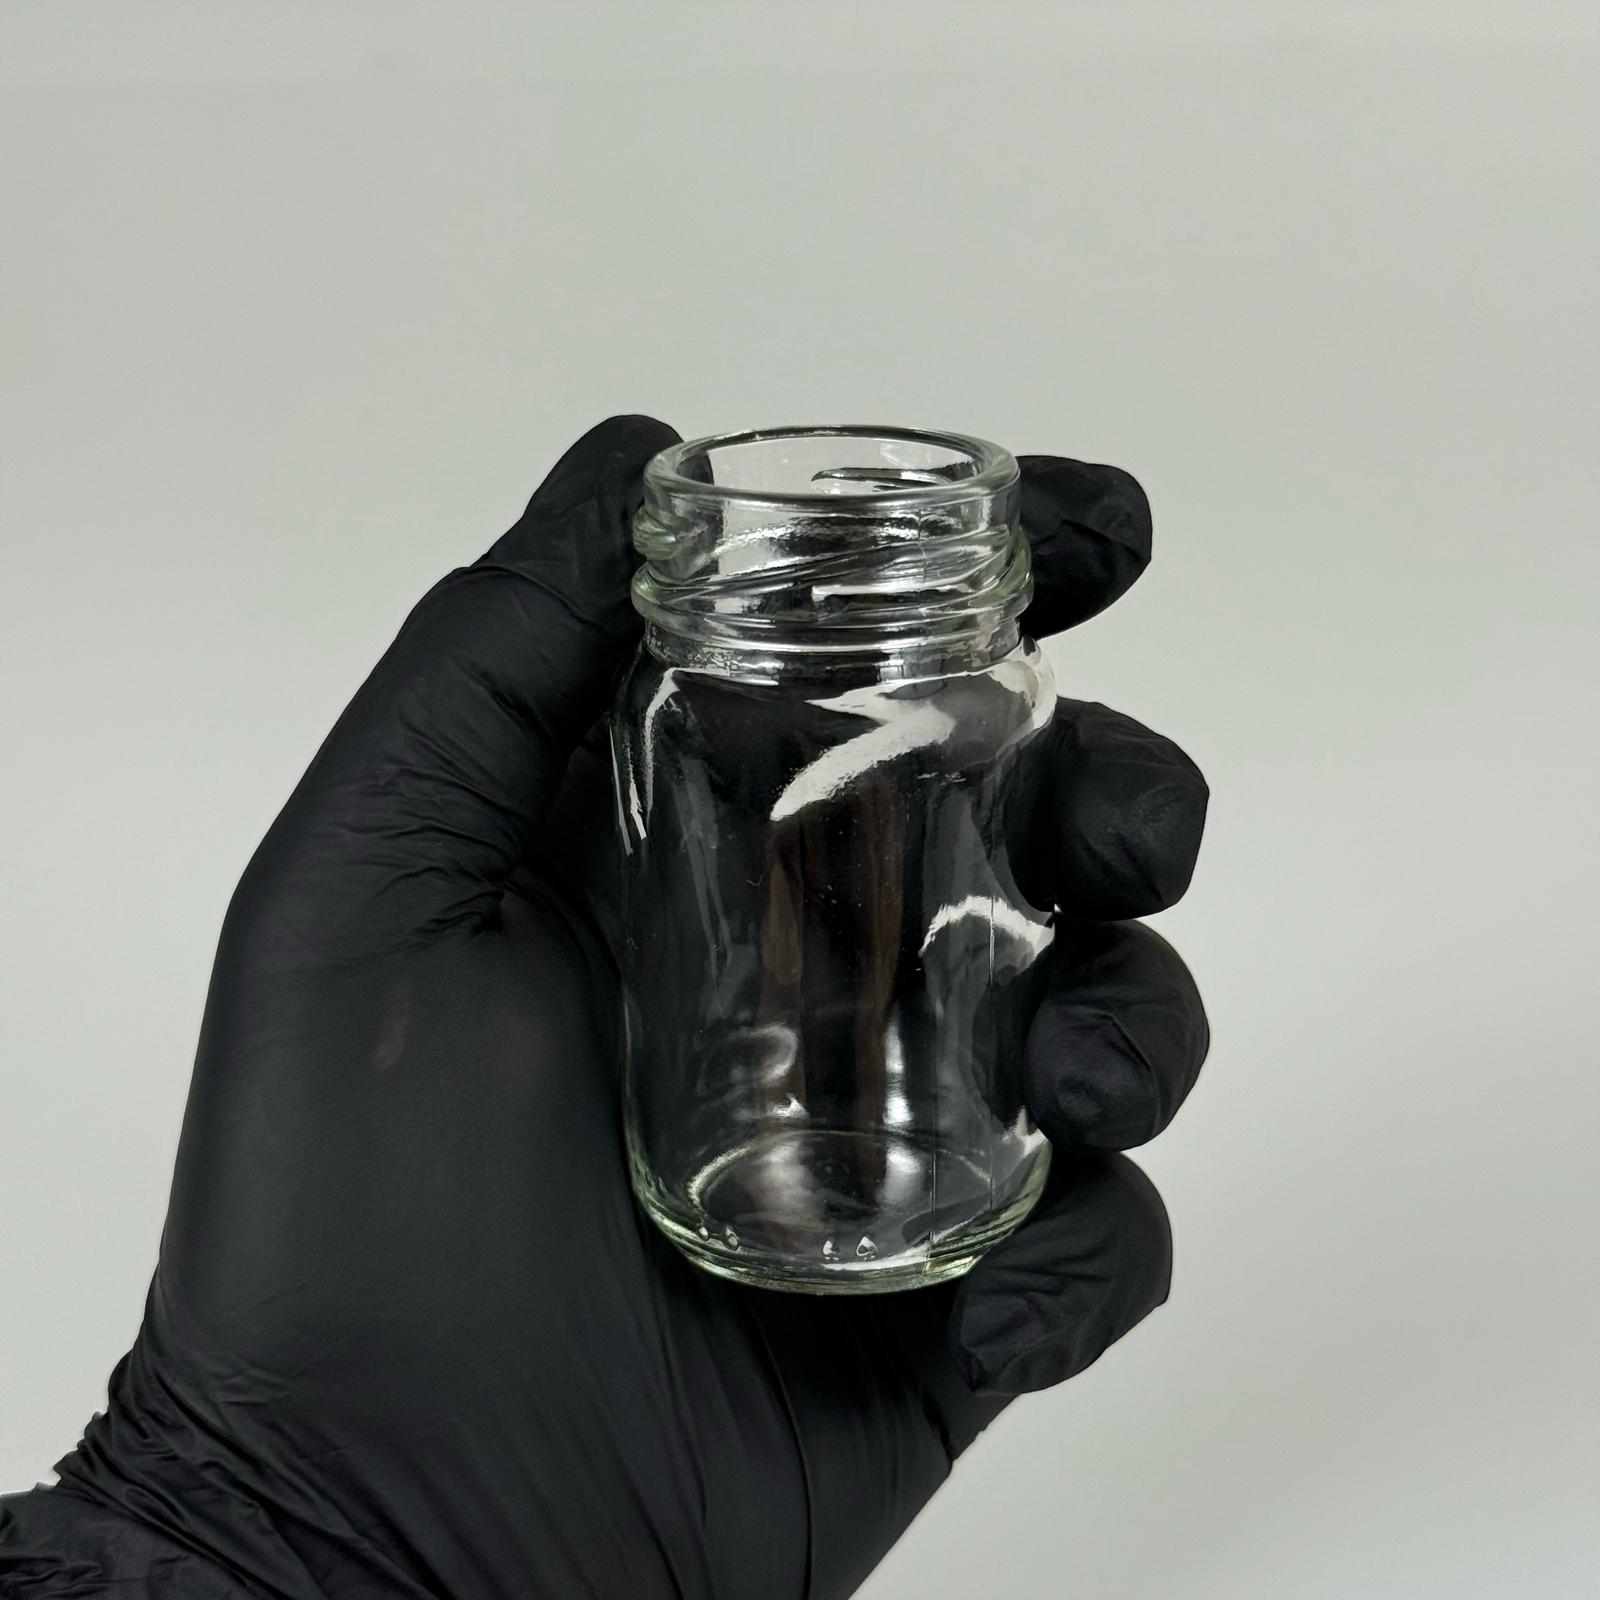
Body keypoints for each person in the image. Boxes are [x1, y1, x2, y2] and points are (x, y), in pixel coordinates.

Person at [0, 416, 1209, 1598]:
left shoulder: (994, 694)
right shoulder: (663, 703)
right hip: (673, 1207)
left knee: (1041, 998)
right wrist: (256, 1509)